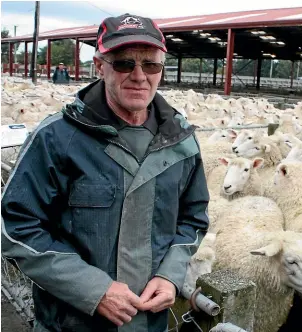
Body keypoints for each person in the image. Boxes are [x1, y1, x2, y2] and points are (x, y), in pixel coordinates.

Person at [1, 13, 210, 332]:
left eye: (150, 64)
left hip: (150, 323)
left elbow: (193, 217)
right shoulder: (56, 138)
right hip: (72, 324)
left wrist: (170, 274)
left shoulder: (180, 140)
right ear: (100, 67)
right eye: (125, 63)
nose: (139, 76)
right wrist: (92, 289)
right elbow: (17, 225)